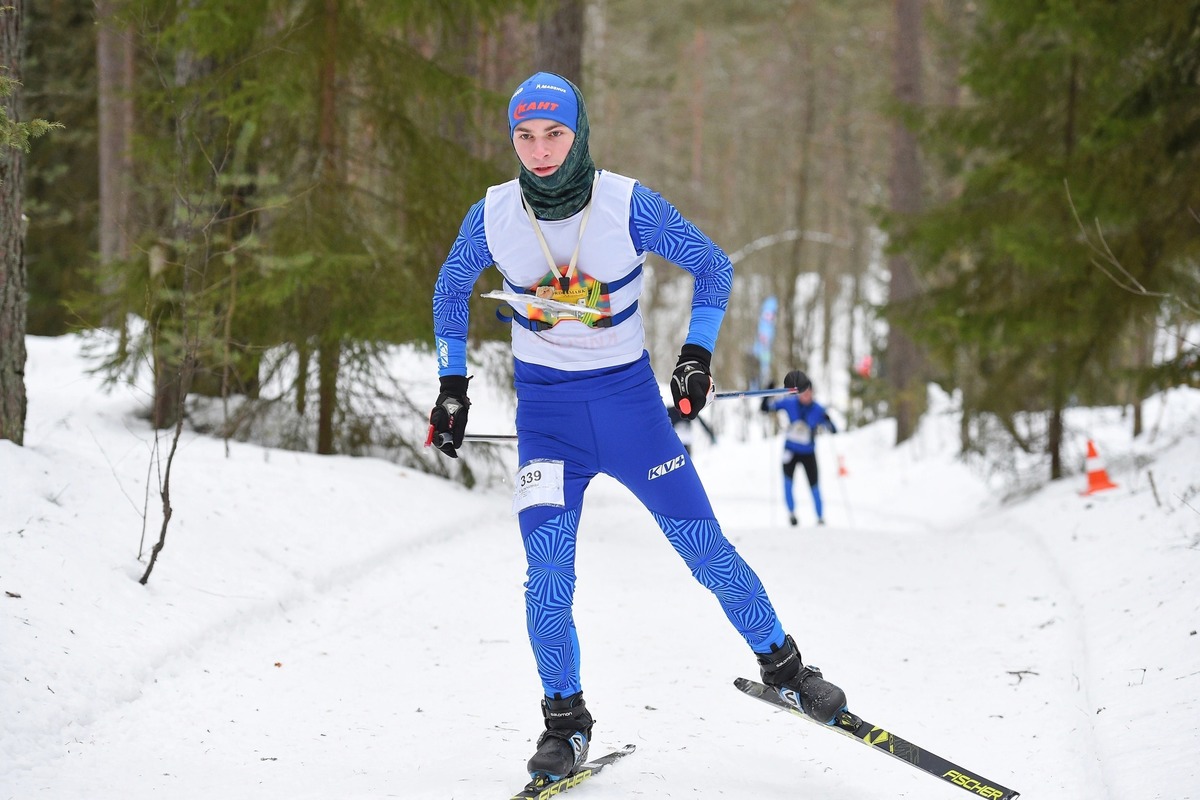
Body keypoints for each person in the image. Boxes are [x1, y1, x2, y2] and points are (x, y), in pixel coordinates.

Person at [427, 72, 846, 783]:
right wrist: (452, 387)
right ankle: (565, 725)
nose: (539, 150)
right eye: (524, 136)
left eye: (554, 133)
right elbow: (447, 288)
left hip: (631, 415)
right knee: (547, 577)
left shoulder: (626, 203)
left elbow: (713, 266)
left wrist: (694, 356)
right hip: (548, 426)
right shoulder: (493, 215)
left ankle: (787, 671)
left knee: (705, 550)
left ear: (579, 131)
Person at [761, 370, 837, 526]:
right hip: (790, 450)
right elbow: (766, 408)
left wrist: (828, 421)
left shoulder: (817, 409)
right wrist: (767, 392)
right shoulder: (790, 403)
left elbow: (833, 429)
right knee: (788, 483)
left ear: (813, 392)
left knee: (814, 484)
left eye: (809, 392)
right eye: (803, 392)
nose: (806, 396)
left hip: (808, 452)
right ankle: (791, 514)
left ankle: (820, 517)